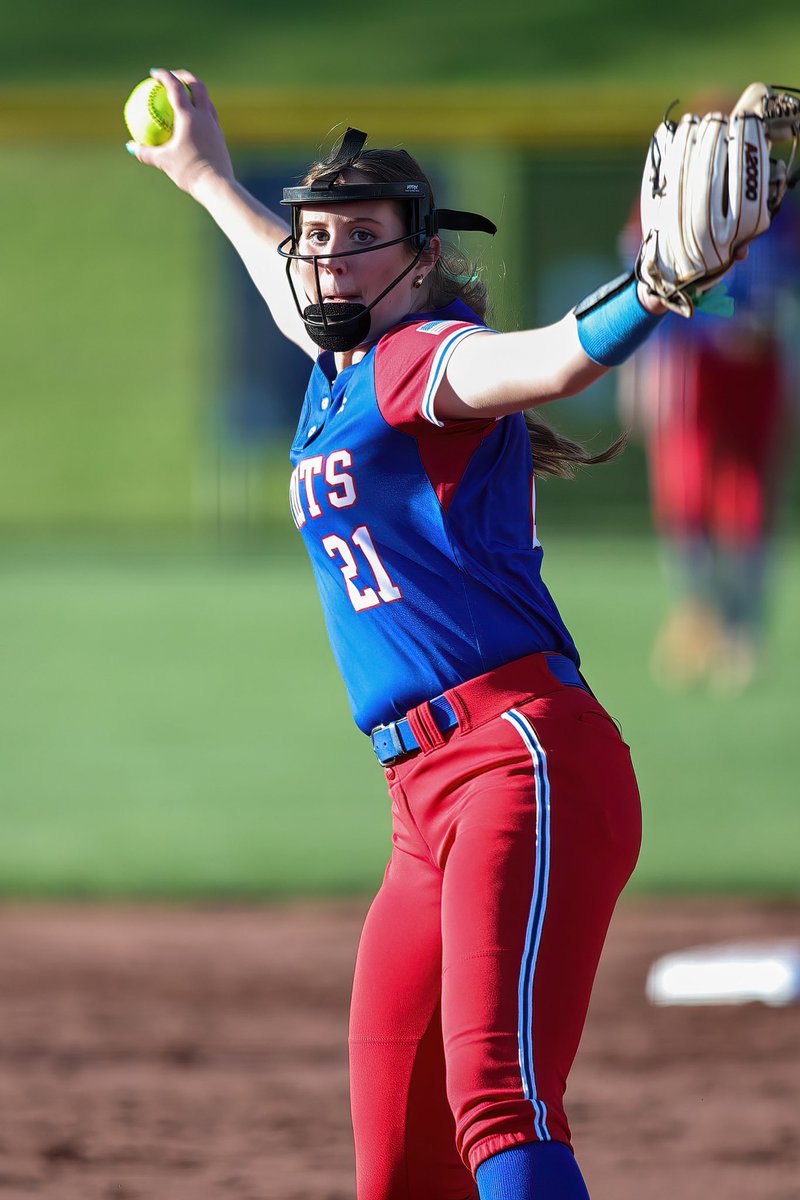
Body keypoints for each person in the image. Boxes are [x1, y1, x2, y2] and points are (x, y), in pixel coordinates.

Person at [126, 68, 707, 1200]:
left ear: (422, 256)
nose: (329, 258)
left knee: (498, 1100)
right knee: (398, 1164)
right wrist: (200, 172)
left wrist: (654, 286)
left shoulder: (421, 359)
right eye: (319, 237)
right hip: (418, 805)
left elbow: (548, 360)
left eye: (361, 238)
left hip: (518, 763)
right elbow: (287, 285)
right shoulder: (338, 372)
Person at [618, 103, 800, 693]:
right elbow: (650, 283)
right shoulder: (671, 189)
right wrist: (728, 317)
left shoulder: (783, 200)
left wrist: (775, 325)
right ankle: (699, 613)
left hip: (760, 367)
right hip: (692, 361)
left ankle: (744, 629)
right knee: (687, 490)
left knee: (749, 493)